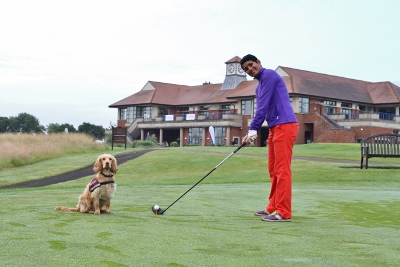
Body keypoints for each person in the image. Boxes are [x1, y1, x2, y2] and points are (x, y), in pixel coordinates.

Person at [240, 54, 299, 222]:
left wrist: (253, 130)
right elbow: (263, 109)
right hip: (274, 128)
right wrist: (251, 134)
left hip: (285, 125)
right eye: (246, 69)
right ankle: (272, 206)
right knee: (273, 170)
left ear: (258, 62)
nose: (250, 69)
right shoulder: (259, 87)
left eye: (251, 65)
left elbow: (262, 107)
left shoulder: (269, 75)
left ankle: (284, 212)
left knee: (282, 170)